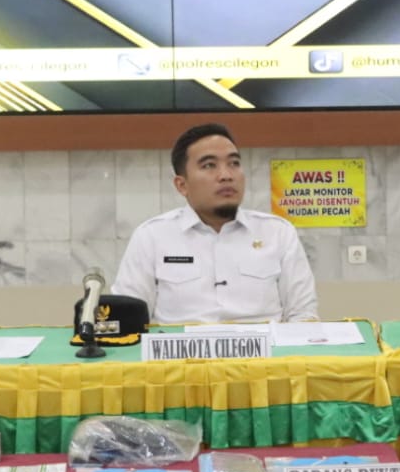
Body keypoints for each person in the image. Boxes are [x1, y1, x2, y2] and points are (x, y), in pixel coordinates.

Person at [112, 123, 317, 325]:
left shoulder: (278, 233)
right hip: (180, 347)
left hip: (265, 346)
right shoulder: (152, 236)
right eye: (209, 165)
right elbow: (127, 320)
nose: (226, 175)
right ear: (182, 185)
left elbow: (303, 316)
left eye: (234, 163)